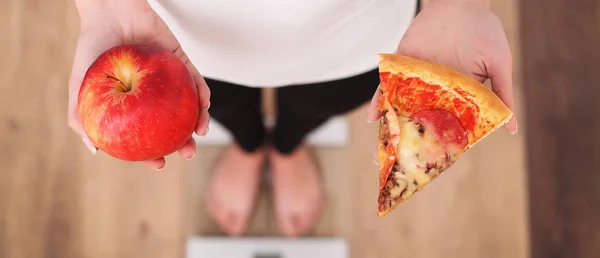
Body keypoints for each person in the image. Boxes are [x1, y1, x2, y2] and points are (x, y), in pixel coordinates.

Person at [68, 0, 517, 237]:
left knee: (321, 102)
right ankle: (249, 146)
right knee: (215, 104)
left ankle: (287, 146)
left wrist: (461, 5)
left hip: (354, 31)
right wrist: (104, 6)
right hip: (172, 32)